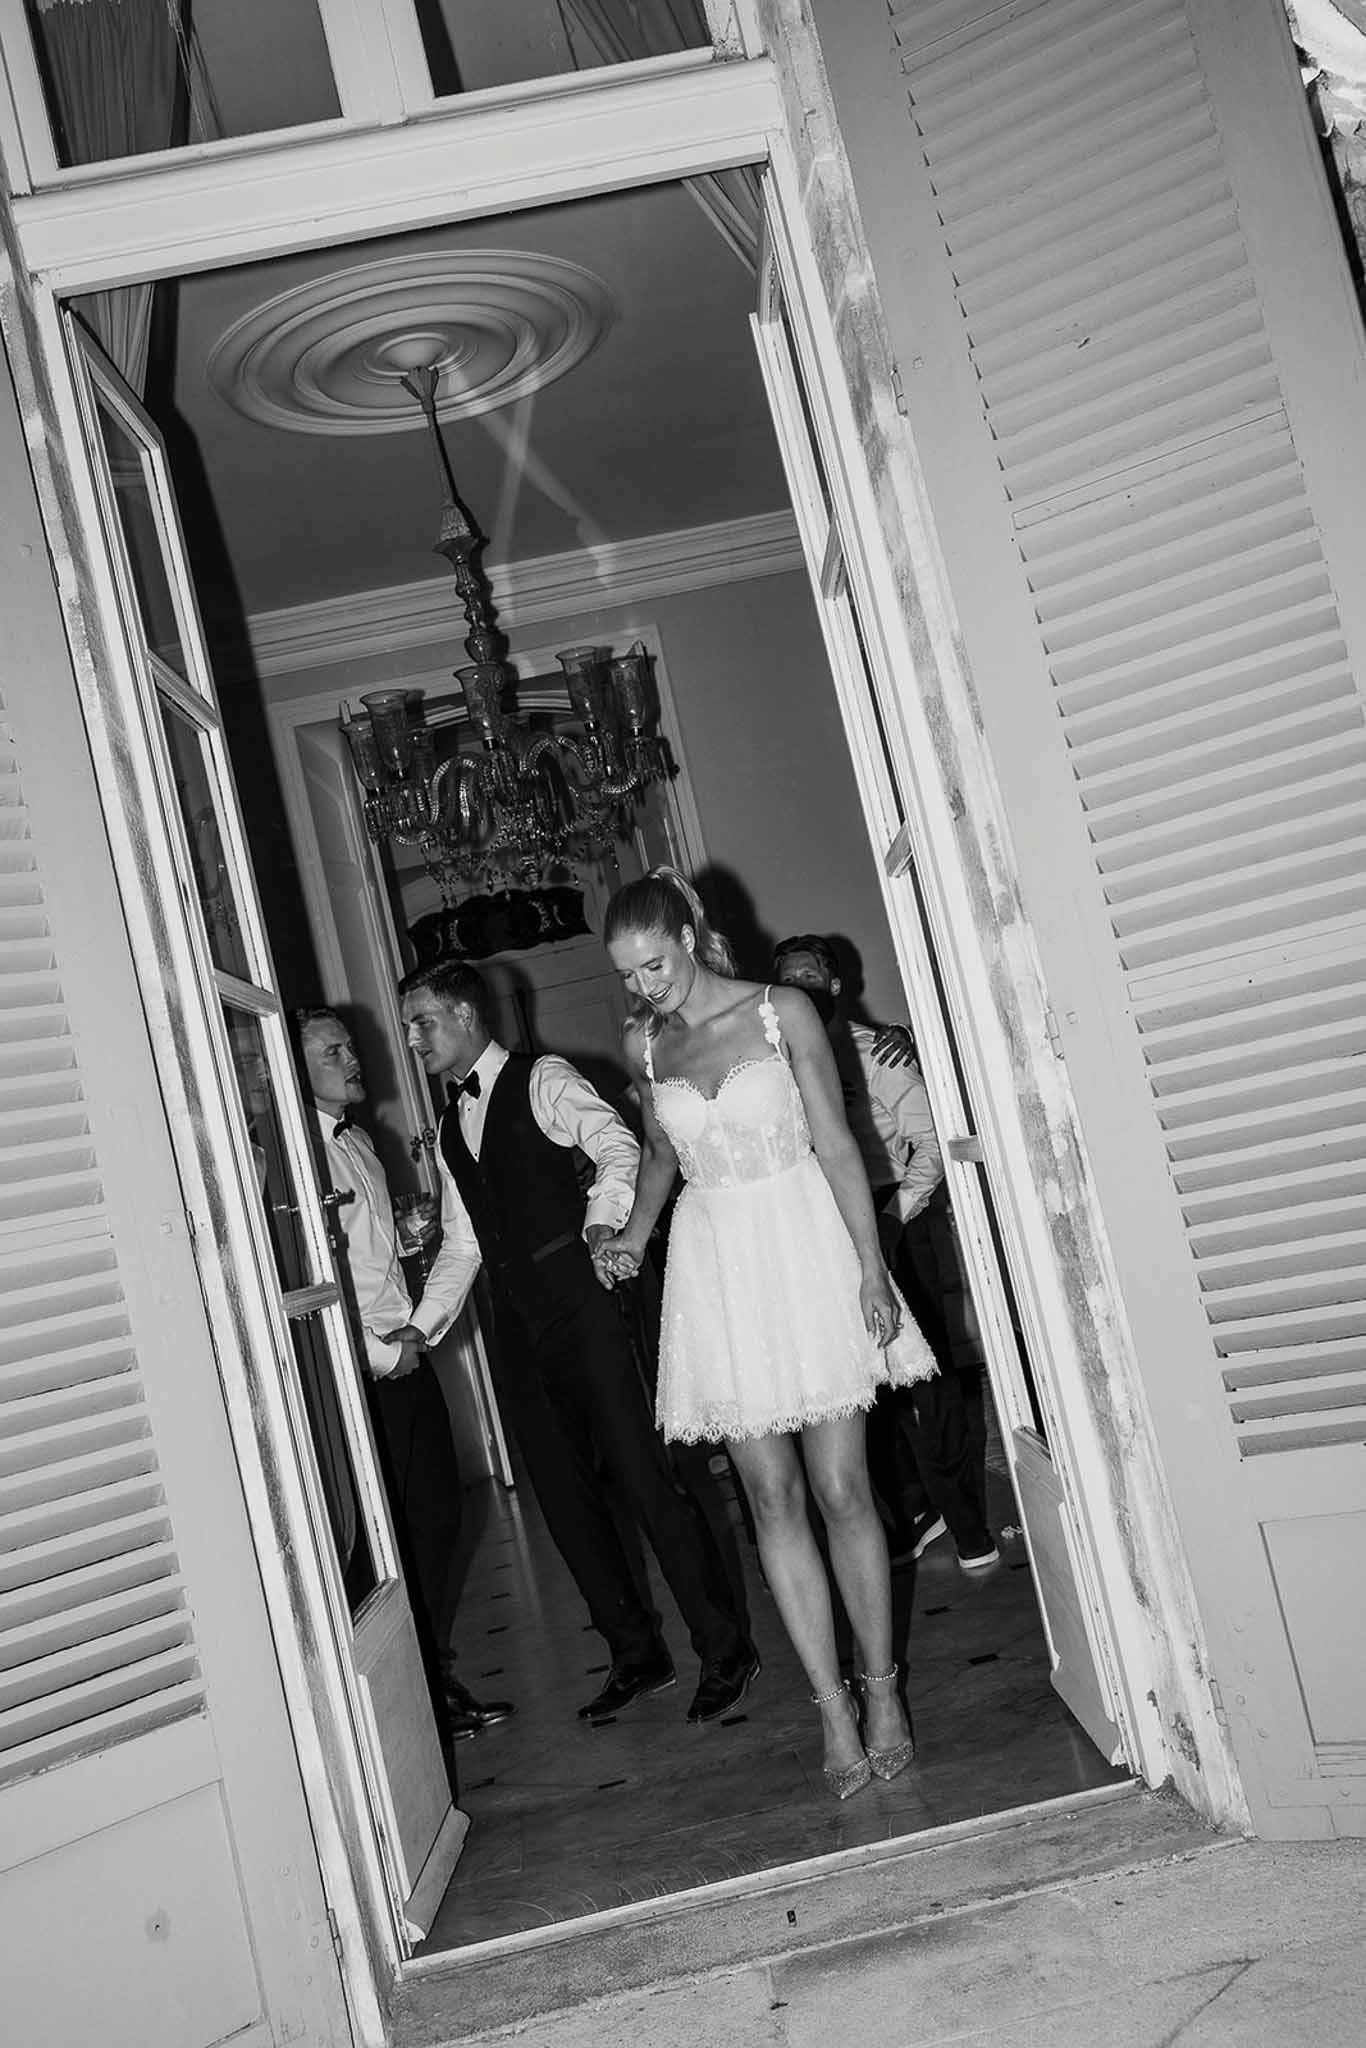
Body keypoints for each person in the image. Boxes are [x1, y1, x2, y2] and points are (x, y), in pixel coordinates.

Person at [598, 869, 937, 1801]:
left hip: (805, 1246)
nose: (645, 987)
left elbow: (836, 1139)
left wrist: (872, 1267)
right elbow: (664, 1155)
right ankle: (830, 1708)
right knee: (773, 1503)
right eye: (629, 974)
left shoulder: (784, 1010)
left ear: (689, 928)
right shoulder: (645, 1044)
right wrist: (630, 1234)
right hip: (716, 1269)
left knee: (840, 1487)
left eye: (654, 964)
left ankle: (882, 1691)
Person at [396, 960, 758, 1727]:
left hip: (585, 1307)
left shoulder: (543, 1077)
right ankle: (636, 1653)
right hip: (518, 1331)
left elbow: (620, 1147)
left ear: (465, 1015)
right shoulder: (449, 1121)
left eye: (422, 1021)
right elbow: (463, 1243)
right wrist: (422, 1328)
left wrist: (604, 1221)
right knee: (563, 1499)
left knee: (646, 1478)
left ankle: (725, 1649)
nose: (412, 1038)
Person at [296, 1007, 515, 1742]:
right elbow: (307, 1285)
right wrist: (388, 1354)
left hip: (405, 1352)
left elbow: (367, 1260)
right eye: (332, 1051)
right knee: (393, 1533)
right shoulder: (295, 1159)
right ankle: (413, 1694)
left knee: (438, 1518)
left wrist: (411, 1240)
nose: (352, 1058)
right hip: (363, 1372)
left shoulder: (360, 1141)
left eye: (350, 1046)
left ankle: (431, 1669)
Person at [770, 937, 997, 1571]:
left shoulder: (879, 1053)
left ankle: (969, 1523)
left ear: (835, 987)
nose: (801, 988)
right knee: (861, 1377)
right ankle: (911, 1512)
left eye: (811, 977)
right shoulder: (774, 1058)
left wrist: (893, 1219)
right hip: (821, 1227)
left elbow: (933, 1144)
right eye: (788, 980)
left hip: (895, 1215)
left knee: (928, 1378)